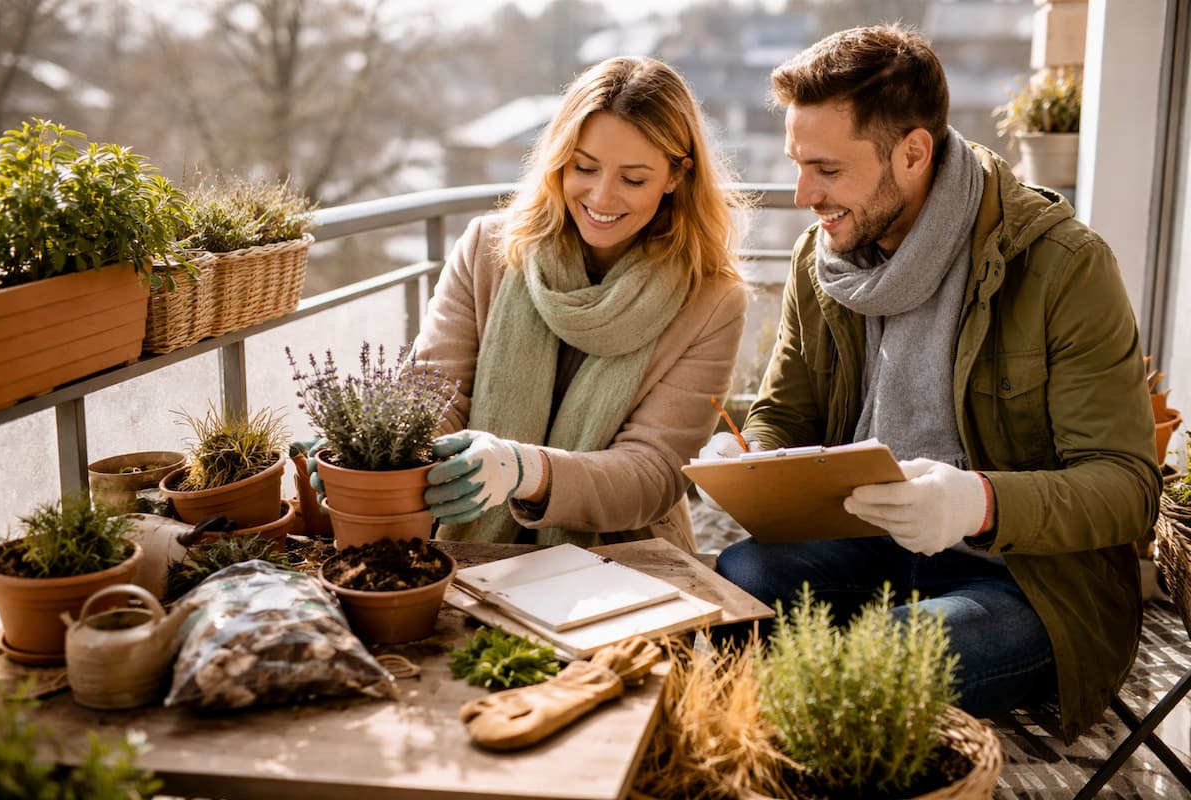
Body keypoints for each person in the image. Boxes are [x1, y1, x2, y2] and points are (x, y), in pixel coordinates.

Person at [700, 24, 1161, 740]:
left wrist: (978, 502)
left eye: (825, 169)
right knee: (737, 579)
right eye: (797, 164)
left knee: (876, 663)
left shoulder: (1064, 265)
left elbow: (1129, 489)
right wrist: (751, 454)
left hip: (1025, 579)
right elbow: (786, 413)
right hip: (869, 538)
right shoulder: (817, 261)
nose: (801, 194)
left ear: (913, 153)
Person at [407, 56, 749, 552]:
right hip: (469, 545)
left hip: (620, 554)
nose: (602, 197)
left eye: (633, 179)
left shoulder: (713, 301)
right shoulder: (487, 250)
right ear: (558, 158)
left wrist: (526, 471)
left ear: (677, 176)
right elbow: (431, 399)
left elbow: (652, 474)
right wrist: (378, 457)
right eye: (583, 167)